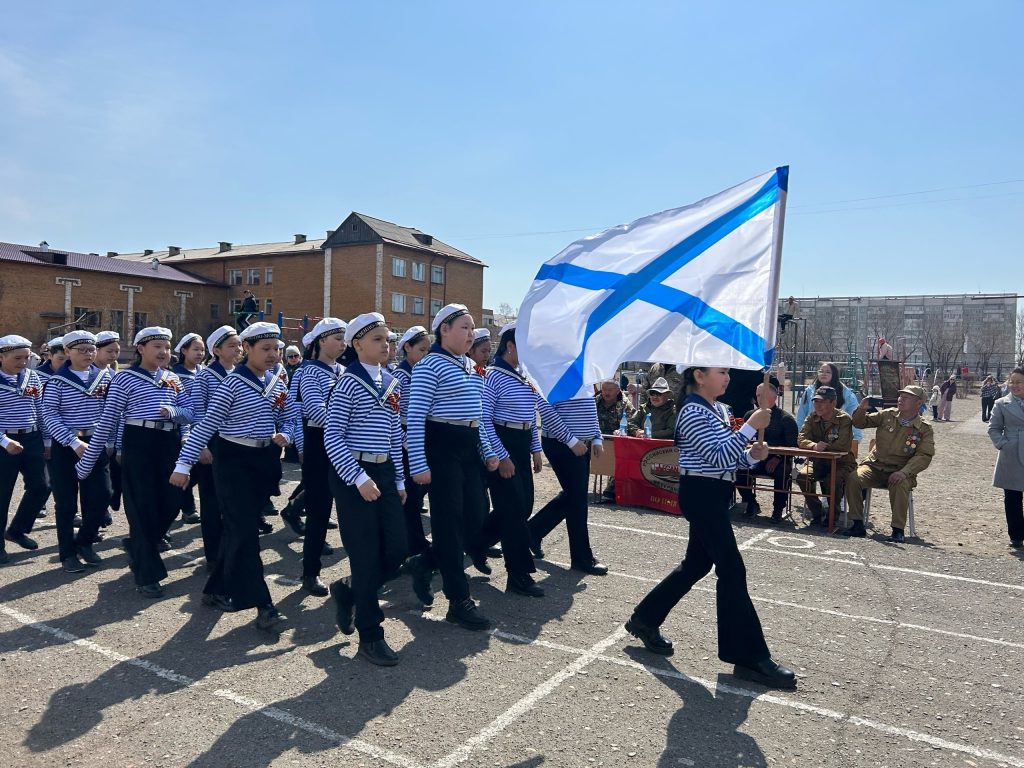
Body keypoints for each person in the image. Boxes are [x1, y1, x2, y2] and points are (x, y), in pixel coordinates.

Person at [624, 366, 797, 690]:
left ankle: (645, 618)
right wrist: (751, 426)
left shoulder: (719, 409)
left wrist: (752, 455)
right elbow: (717, 455)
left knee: (696, 565)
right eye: (720, 371)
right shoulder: (691, 411)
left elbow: (729, 457)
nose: (727, 377)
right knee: (732, 570)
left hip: (716, 491)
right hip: (701, 493)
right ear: (699, 376)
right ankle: (748, 656)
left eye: (727, 371)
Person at [170, 322, 292, 632]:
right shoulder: (233, 384)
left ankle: (215, 589)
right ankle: (264, 605)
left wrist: (288, 434)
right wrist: (183, 465)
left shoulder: (276, 381)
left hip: (263, 461)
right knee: (246, 533)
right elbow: (207, 424)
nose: (272, 355)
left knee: (239, 531)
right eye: (265, 349)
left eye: (276, 349)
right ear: (247, 349)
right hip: (232, 461)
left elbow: (288, 416)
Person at [76, 327, 193, 597]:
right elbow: (109, 419)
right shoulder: (125, 378)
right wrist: (89, 459)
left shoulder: (172, 378)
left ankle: (137, 547)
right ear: (141, 349)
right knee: (142, 507)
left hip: (169, 442)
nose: (164, 352)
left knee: (173, 501)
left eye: (167, 347)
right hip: (138, 442)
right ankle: (147, 575)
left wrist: (173, 411)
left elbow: (190, 412)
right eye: (157, 347)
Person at [405, 303, 499, 631]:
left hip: (468, 448)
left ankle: (424, 562)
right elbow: (415, 417)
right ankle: (458, 600)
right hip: (441, 447)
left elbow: (478, 416)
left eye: (473, 328)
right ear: (444, 330)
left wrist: (488, 451)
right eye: (464, 327)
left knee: (475, 518)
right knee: (448, 523)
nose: (471, 333)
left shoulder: (470, 366)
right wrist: (418, 463)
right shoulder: (429, 365)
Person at [324, 312, 408, 664]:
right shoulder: (347, 383)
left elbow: (394, 435)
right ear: (357, 344)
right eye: (377, 339)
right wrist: (358, 478)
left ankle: (348, 589)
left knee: (398, 549)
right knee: (364, 553)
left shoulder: (391, 382)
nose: (386, 345)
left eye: (387, 339)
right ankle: (371, 635)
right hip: (353, 475)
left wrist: (398, 479)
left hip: (384, 471)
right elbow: (332, 437)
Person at [476, 322, 545, 597]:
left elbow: (530, 415)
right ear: (510, 346)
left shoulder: (523, 375)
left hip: (521, 442)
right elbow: (484, 419)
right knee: (514, 510)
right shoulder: (492, 376)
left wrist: (536, 448)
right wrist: (501, 456)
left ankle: (472, 544)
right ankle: (518, 573)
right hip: (502, 442)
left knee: (522, 506)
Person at [40, 330, 114, 573]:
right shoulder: (57, 381)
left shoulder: (104, 377)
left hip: (96, 442)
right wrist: (73, 442)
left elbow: (111, 411)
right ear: (67, 352)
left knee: (102, 495)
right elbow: (49, 416)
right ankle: (67, 554)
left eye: (91, 349)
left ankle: (84, 541)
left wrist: (110, 441)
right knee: (66, 503)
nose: (88, 354)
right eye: (81, 350)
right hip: (66, 445)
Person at [292, 317, 348, 596]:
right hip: (319, 442)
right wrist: (347, 426)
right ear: (321, 341)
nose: (343, 344)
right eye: (338, 339)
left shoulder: (343, 371)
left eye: (344, 339)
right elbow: (315, 409)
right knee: (319, 510)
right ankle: (310, 572)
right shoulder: (310, 372)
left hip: (343, 442)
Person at [842, 385, 935, 543]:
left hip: (900, 470)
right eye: (900, 396)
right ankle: (857, 524)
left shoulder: (924, 428)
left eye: (906, 398)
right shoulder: (887, 415)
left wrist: (904, 472)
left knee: (900, 484)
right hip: (875, 466)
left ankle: (897, 530)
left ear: (918, 403)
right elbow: (859, 423)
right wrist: (862, 409)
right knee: (854, 478)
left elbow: (924, 456)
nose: (900, 400)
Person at [530, 393, 608, 576]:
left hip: (580, 444)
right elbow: (546, 410)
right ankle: (581, 558)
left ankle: (532, 532)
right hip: (561, 444)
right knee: (577, 500)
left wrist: (596, 437)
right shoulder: (556, 377)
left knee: (574, 497)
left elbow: (590, 409)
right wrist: (571, 441)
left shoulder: (583, 378)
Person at [188, 325, 242, 570]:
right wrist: (200, 446)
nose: (238, 349)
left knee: (233, 500)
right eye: (232, 345)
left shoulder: (241, 373)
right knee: (211, 501)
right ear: (217, 350)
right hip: (213, 442)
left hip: (236, 443)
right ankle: (213, 555)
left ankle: (230, 551)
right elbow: (198, 412)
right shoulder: (206, 376)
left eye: (239, 344)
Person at [0, 335, 48, 563]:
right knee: (2, 495)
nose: (23, 362)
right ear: (2, 357)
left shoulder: (32, 377)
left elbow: (40, 410)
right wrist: (4, 441)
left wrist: (47, 441)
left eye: (26, 357)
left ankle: (17, 530)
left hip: (32, 438)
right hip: (4, 442)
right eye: (17, 358)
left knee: (42, 486)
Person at [392, 325, 431, 558]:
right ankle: (414, 545)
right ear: (407, 347)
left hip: (418, 436)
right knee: (410, 496)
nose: (425, 355)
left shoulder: (420, 372)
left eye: (428, 351)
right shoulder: (399, 377)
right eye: (421, 350)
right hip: (405, 439)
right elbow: (393, 418)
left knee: (417, 494)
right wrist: (408, 442)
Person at [736, 379, 798, 522]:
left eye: (763, 395)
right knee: (737, 469)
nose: (759, 398)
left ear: (774, 397)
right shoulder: (750, 416)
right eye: (757, 395)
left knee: (782, 472)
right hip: (753, 457)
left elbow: (792, 446)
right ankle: (751, 502)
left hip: (779, 459)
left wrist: (778, 457)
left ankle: (778, 509)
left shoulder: (786, 419)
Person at [795, 386, 855, 527]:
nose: (817, 405)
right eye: (815, 401)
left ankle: (832, 517)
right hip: (818, 462)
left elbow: (843, 445)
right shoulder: (812, 417)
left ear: (833, 403)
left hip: (842, 463)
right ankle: (817, 512)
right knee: (802, 477)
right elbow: (801, 439)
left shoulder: (844, 419)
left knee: (832, 480)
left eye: (822, 402)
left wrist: (823, 447)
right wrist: (813, 446)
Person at [988, 367, 1024, 548]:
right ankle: (1016, 535)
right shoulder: (1001, 403)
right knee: (1012, 496)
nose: (1015, 385)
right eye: (1012, 382)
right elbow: (993, 428)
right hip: (1012, 453)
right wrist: (1004, 444)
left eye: (1019, 382)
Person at [172, 333, 206, 526]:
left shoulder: (204, 372)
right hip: (182, 428)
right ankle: (188, 508)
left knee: (199, 470)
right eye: (195, 349)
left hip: (202, 426)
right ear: (184, 351)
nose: (200, 353)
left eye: (202, 350)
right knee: (185, 466)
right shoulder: (175, 374)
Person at [796, 362, 862, 444]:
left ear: (834, 374)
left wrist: (856, 438)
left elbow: (855, 417)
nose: (823, 374)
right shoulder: (809, 391)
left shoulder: (847, 394)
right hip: (813, 436)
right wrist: (798, 434)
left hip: (836, 437)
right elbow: (801, 415)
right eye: (821, 371)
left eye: (828, 372)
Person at [95, 331, 122, 521]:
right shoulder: (88, 374)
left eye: (116, 351)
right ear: (96, 350)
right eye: (109, 351)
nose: (113, 355)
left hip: (113, 435)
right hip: (93, 435)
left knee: (113, 478)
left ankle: (104, 507)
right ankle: (99, 512)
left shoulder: (114, 375)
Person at [595, 380, 635, 502]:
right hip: (596, 438)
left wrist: (621, 430)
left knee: (621, 454)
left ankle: (611, 490)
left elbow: (632, 423)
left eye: (610, 390)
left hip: (615, 440)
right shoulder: (595, 401)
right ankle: (578, 485)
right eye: (604, 389)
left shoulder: (625, 404)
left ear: (617, 391)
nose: (606, 393)